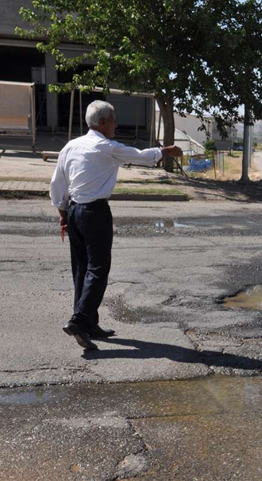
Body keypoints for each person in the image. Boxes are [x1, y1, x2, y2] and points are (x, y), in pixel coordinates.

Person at [50, 100, 183, 350]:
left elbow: (58, 182)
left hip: (75, 210)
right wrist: (167, 150)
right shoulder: (106, 147)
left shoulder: (71, 146)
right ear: (102, 124)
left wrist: (63, 214)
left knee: (81, 270)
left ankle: (89, 324)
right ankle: (79, 321)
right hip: (95, 213)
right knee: (98, 270)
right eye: (112, 120)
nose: (115, 124)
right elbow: (141, 156)